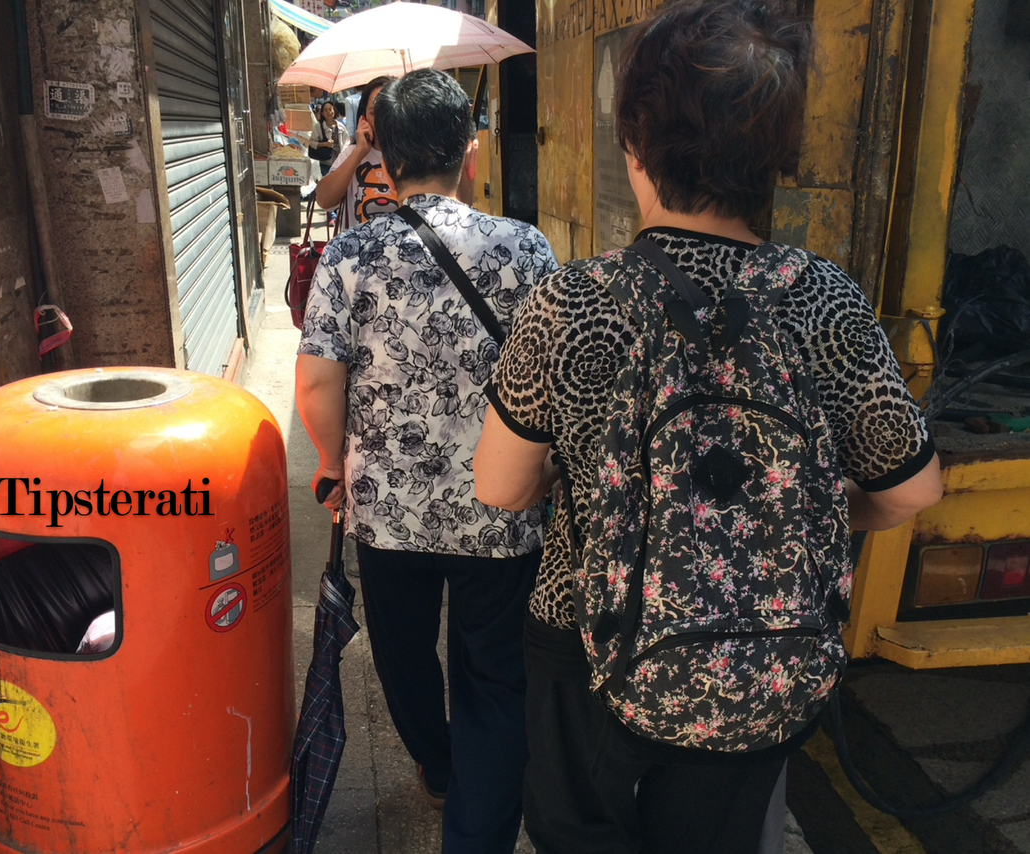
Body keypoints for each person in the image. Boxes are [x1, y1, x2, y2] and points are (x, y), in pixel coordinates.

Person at [473, 2, 944, 854]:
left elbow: (500, 489)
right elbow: (911, 488)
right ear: (777, 154)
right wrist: (806, 509)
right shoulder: (824, 300)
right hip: (760, 663)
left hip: (588, 642)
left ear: (637, 144)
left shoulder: (576, 302)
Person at [295, 69, 560, 854]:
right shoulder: (526, 248)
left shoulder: (352, 256)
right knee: (494, 676)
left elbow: (315, 383)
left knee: (403, 655)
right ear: (469, 153)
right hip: (502, 512)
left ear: (384, 156)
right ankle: (476, 828)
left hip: (389, 510)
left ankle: (439, 763)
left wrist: (332, 461)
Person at [314, 76, 400, 226]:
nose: (381, 119)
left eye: (387, 111)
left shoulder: (414, 157)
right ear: (363, 116)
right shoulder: (351, 154)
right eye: (374, 112)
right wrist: (359, 152)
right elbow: (324, 200)